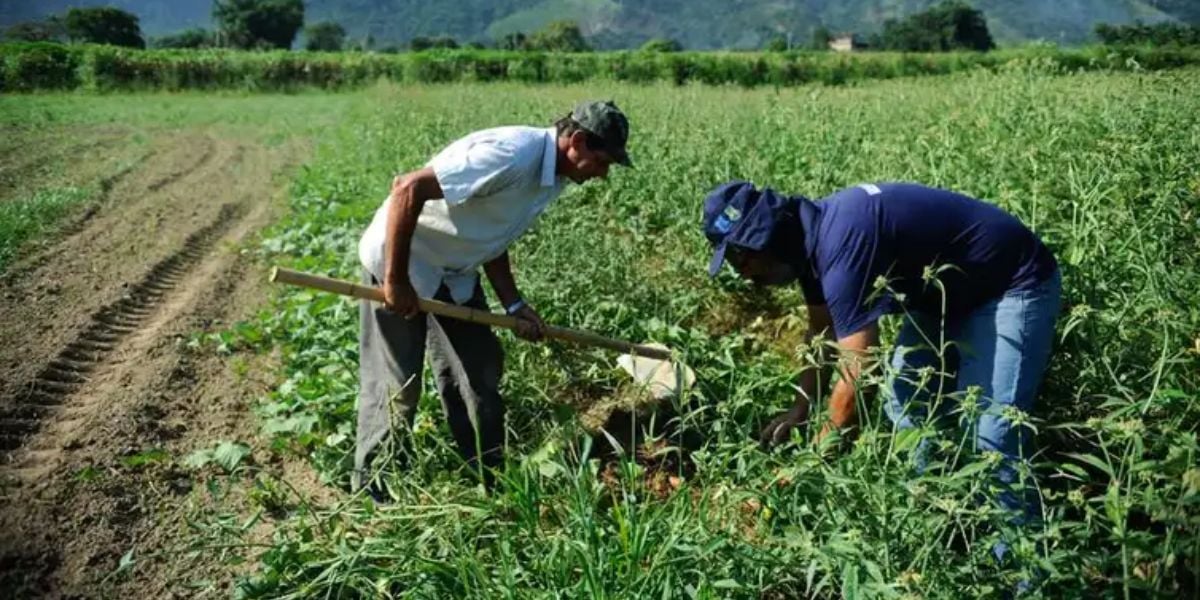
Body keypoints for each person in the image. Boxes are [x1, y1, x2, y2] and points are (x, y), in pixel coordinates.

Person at [703, 180, 1060, 560]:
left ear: (766, 239)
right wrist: (800, 407)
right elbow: (822, 332)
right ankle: (936, 528)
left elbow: (858, 377)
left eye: (741, 258)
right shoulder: (808, 243)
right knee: (906, 402)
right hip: (942, 295)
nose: (742, 273)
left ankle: (1023, 570)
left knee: (992, 434)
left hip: (1011, 284)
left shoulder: (841, 245)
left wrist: (809, 467)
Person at [355, 100, 632, 493]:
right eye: (604, 161)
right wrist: (394, 280)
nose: (604, 174)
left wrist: (514, 304)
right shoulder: (511, 155)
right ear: (580, 142)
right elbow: (408, 187)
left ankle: (487, 476)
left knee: (479, 371)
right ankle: (373, 488)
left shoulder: (552, 178)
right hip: (402, 262)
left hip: (454, 272)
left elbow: (493, 235)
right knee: (398, 385)